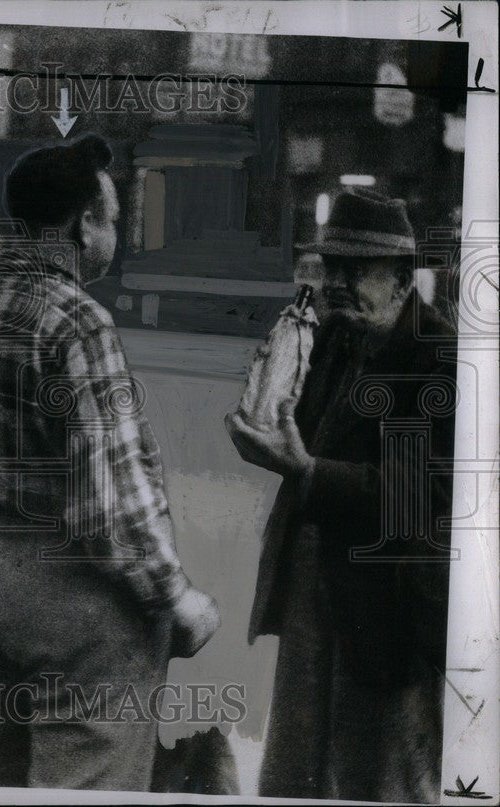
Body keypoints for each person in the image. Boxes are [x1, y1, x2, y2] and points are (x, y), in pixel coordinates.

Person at [0, 134, 221, 790]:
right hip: (77, 601)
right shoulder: (78, 322)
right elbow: (110, 494)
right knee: (85, 783)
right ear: (83, 223)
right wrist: (174, 595)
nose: (115, 235)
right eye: (114, 219)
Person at [226, 188, 456, 802]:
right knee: (297, 773)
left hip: (390, 609)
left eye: (356, 270)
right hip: (313, 590)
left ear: (404, 278)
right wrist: (264, 397)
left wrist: (308, 472)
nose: (337, 283)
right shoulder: (333, 337)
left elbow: (420, 499)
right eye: (331, 268)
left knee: (382, 782)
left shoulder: (440, 360)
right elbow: (291, 430)